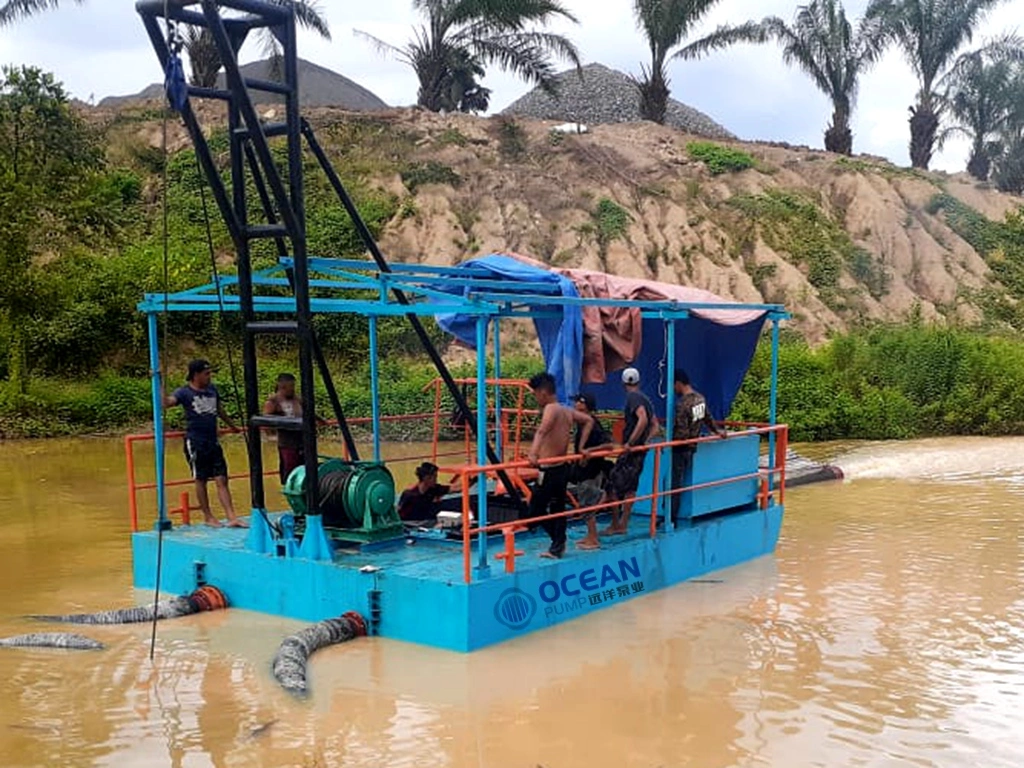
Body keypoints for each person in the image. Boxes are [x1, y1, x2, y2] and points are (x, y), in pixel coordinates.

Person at [577, 367, 656, 550]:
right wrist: (645, 441)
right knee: (630, 489)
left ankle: (615, 525)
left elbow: (643, 419)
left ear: (623, 383)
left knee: (612, 486)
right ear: (638, 381)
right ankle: (622, 524)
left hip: (631, 451)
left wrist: (631, 442)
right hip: (639, 452)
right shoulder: (646, 399)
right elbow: (654, 426)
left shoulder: (633, 398)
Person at [164, 359, 248, 528]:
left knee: (222, 478)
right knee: (200, 479)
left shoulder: (212, 389)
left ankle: (231, 516)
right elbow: (166, 403)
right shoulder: (184, 392)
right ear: (196, 375)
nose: (210, 376)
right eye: (206, 374)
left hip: (212, 441)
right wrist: (158, 382)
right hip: (195, 441)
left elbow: (219, 410)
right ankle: (208, 516)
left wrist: (233, 427)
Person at [524, 372, 592, 559]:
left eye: (535, 394)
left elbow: (542, 431)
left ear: (543, 392)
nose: (536, 398)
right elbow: (588, 421)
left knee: (535, 512)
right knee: (557, 508)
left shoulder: (551, 409)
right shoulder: (566, 410)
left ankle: (557, 542)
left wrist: (533, 454)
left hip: (549, 469)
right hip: (561, 467)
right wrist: (582, 447)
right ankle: (557, 545)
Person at [670, 370, 728, 523]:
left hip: (680, 448)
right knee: (683, 483)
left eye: (673, 385)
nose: (673, 389)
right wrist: (718, 431)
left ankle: (671, 518)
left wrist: (669, 442)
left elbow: (681, 432)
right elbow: (708, 419)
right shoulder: (700, 399)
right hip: (692, 447)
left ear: (678, 383)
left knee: (674, 485)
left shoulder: (682, 404)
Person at [263, 372, 314, 484]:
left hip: (303, 441)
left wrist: (321, 421)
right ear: (282, 386)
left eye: (293, 386)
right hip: (287, 443)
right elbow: (265, 421)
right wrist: (270, 436)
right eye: (290, 387)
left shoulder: (297, 399)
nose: (292, 389)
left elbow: (308, 413)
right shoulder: (273, 401)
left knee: (307, 471)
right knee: (290, 473)